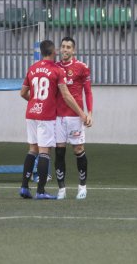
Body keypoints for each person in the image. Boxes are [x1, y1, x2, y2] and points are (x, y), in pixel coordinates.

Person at [19, 39, 88, 200]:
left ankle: (24, 187)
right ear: (53, 52)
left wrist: (35, 100)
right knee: (44, 152)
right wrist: (82, 113)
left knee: (32, 150)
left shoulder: (32, 68)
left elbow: (22, 93)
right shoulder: (57, 70)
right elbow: (66, 95)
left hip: (31, 113)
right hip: (46, 115)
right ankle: (41, 191)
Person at [55, 37, 93, 200]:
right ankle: (62, 189)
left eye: (68, 47)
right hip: (57, 117)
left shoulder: (82, 68)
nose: (65, 50)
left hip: (75, 118)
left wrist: (89, 113)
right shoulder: (55, 68)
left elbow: (88, 92)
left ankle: (82, 187)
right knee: (59, 152)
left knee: (78, 150)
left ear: (74, 50)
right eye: (63, 46)